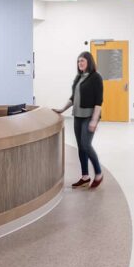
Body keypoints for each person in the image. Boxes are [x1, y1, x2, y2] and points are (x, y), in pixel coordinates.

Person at [53, 52, 104, 189]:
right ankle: (85, 177)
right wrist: (62, 109)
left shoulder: (96, 77)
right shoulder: (79, 77)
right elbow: (73, 97)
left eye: (82, 61)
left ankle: (98, 173)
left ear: (89, 62)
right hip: (78, 116)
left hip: (89, 116)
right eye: (78, 61)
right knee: (80, 146)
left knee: (86, 145)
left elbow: (99, 101)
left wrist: (94, 120)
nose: (80, 63)